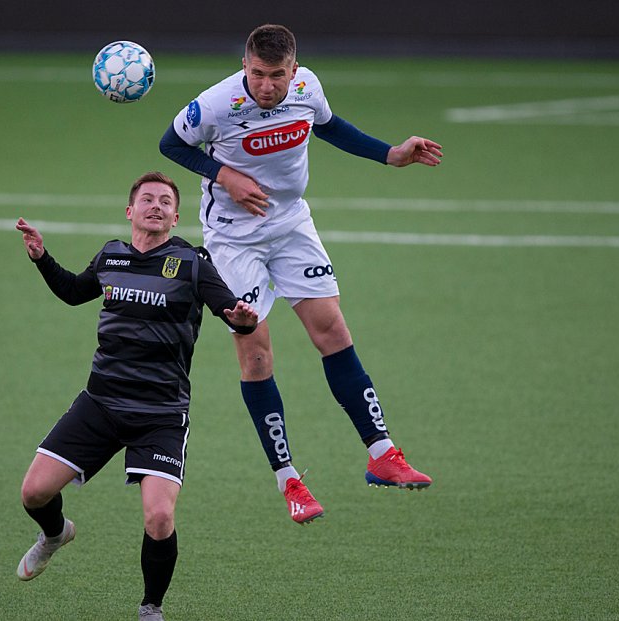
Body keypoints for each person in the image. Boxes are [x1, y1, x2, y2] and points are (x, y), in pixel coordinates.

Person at [159, 24, 443, 524]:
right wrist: (225, 176)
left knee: (332, 331)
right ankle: (289, 479)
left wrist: (390, 154)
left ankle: (382, 455)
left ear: (294, 70)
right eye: (257, 74)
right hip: (233, 239)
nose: (266, 86)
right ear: (244, 66)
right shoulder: (218, 103)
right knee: (256, 350)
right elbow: (171, 144)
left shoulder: (308, 87)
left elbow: (329, 126)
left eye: (277, 75)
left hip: (291, 225)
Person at [14, 172, 257, 621]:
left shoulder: (191, 262)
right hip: (100, 404)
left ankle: (151, 608)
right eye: (147, 199)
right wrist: (42, 258)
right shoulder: (112, 256)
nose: (156, 206)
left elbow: (229, 309)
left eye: (165, 201)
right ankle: (55, 534)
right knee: (33, 493)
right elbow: (74, 292)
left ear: (176, 217)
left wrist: (242, 320)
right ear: (130, 211)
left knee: (159, 518)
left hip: (160, 414)